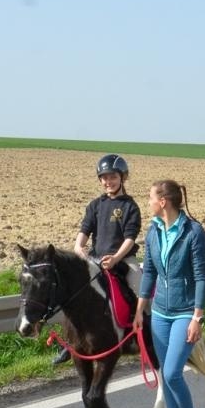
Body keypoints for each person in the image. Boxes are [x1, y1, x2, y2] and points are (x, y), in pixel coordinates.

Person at [136, 180, 205, 408]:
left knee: (171, 372)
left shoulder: (194, 233)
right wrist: (140, 308)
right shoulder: (154, 231)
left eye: (150, 198)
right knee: (165, 377)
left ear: (163, 201)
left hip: (184, 312)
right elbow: (150, 271)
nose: (149, 203)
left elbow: (203, 277)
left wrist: (197, 318)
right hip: (159, 313)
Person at [55, 154, 142, 366]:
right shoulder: (95, 205)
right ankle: (69, 342)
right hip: (96, 261)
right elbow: (84, 231)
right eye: (103, 178)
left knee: (139, 287)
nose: (107, 182)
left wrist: (116, 258)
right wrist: (78, 247)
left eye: (112, 177)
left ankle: (141, 332)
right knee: (73, 295)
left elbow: (130, 238)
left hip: (123, 259)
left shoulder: (130, 206)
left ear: (123, 177)